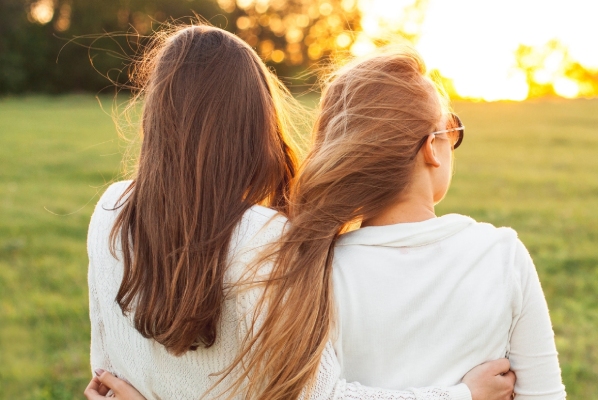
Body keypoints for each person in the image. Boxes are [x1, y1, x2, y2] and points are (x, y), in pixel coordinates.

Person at [85, 25, 514, 399]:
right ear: (257, 120)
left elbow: (105, 376)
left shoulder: (109, 211)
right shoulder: (263, 237)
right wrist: (461, 395)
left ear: (156, 115)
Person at [233, 48, 566, 399]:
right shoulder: (501, 255)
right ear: (430, 149)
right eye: (450, 131)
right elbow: (546, 395)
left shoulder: (315, 270)